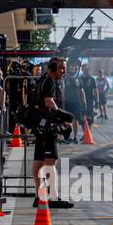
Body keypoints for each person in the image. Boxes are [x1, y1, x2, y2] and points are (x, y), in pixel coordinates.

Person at [30, 57, 73, 208]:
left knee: (39, 163)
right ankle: (53, 197)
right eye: (61, 68)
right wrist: (63, 119)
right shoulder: (49, 81)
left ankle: (39, 195)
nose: (64, 71)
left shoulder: (42, 79)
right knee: (51, 162)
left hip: (40, 126)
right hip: (47, 128)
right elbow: (49, 102)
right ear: (53, 68)